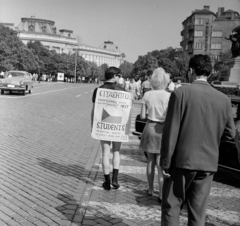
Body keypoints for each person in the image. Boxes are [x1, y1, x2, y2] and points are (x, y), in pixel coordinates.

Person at [160, 54, 236, 226]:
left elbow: (171, 130)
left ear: (190, 71)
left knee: (172, 207)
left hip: (182, 162)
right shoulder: (224, 99)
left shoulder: (180, 94)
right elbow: (230, 134)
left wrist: (165, 161)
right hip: (208, 163)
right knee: (197, 213)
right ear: (209, 73)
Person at [91, 67, 126, 190]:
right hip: (117, 125)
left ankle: (107, 182)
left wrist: (93, 126)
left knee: (105, 153)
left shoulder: (98, 90)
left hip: (104, 125)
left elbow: (94, 111)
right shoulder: (123, 91)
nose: (120, 78)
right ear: (115, 76)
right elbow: (125, 111)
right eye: (119, 75)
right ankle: (115, 180)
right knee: (116, 151)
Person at [139, 67, 170, 203]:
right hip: (163, 130)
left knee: (150, 161)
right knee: (160, 164)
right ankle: (162, 194)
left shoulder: (147, 95)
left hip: (150, 128)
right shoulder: (169, 95)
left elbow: (142, 115)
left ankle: (151, 189)